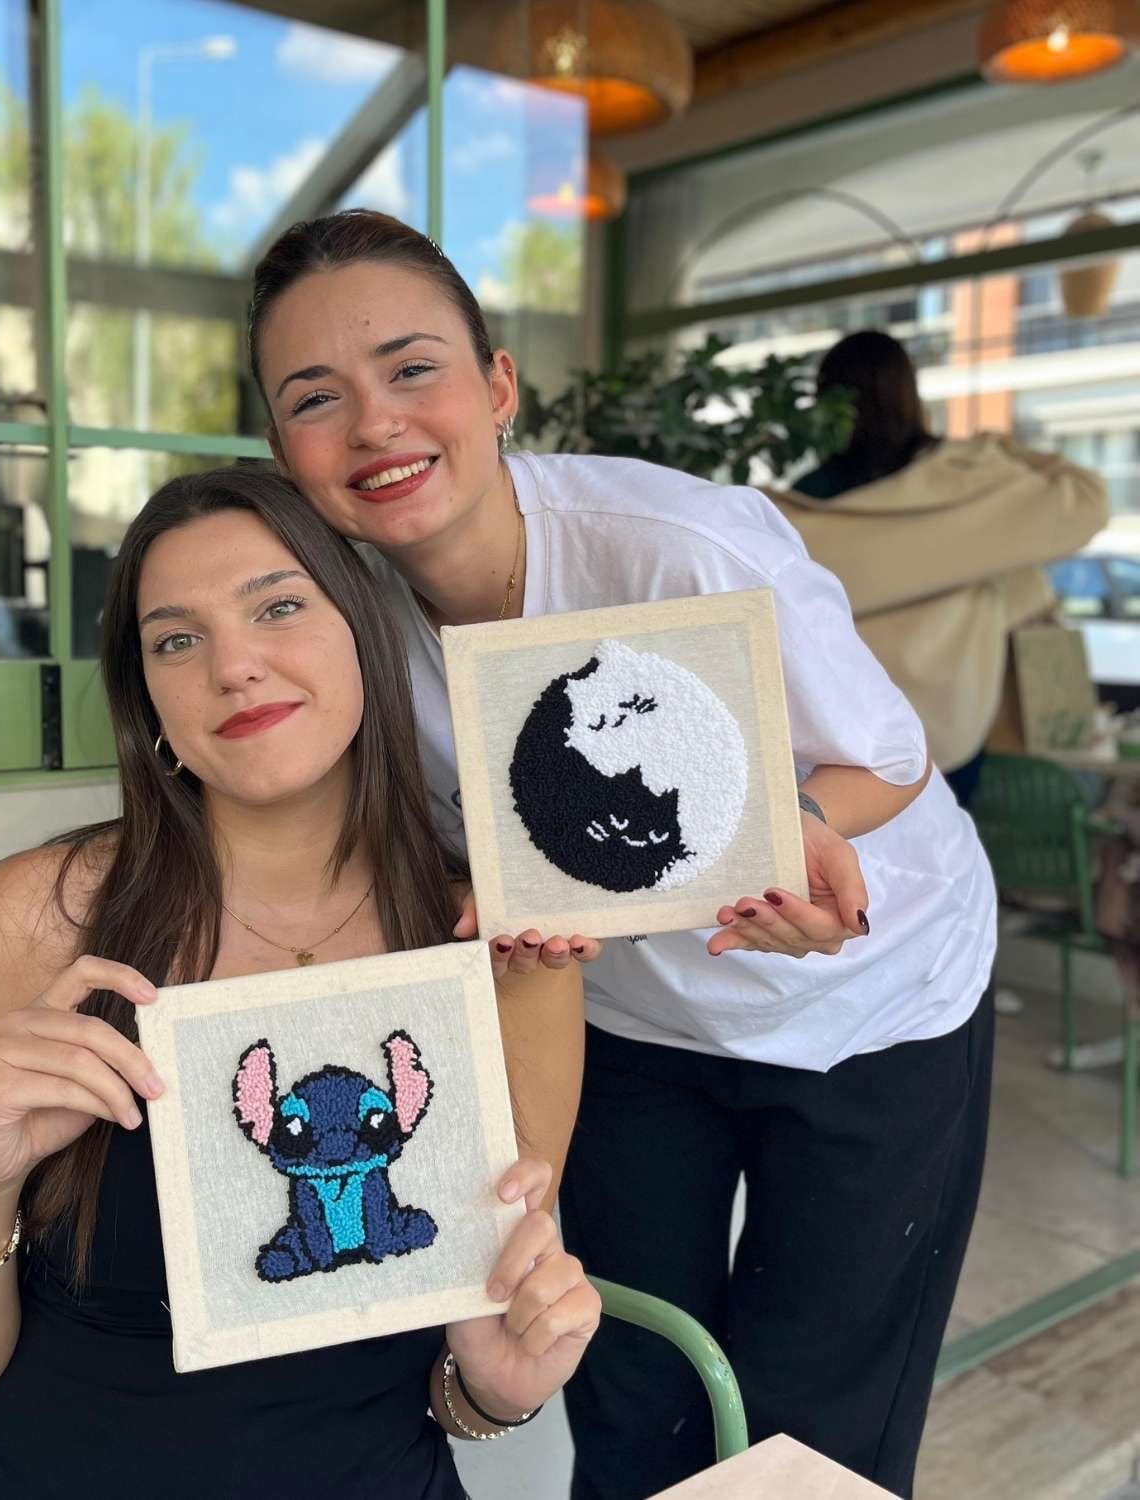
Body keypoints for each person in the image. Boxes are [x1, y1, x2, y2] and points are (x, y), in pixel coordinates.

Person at [247, 209, 998, 1500]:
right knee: (634, 1382)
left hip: (870, 996)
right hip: (629, 1020)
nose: (374, 423)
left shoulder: (672, 545)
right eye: (316, 397)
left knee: (813, 1418)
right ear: (280, 446)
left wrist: (798, 830)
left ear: (497, 387)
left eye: (413, 368)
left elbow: (891, 755)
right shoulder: (338, 617)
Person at [0, 467, 595, 1500]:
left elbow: (464, 1364)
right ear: (149, 700)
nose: (235, 666)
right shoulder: (35, 922)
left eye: (279, 607)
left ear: (365, 636)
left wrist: (495, 1389)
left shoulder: (501, 948)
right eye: (176, 640)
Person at [781, 329, 1108, 806]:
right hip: (952, 731)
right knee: (941, 850)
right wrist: (1002, 446)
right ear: (910, 394)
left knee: (839, 851)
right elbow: (1088, 499)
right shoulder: (970, 476)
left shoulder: (807, 501)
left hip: (847, 732)